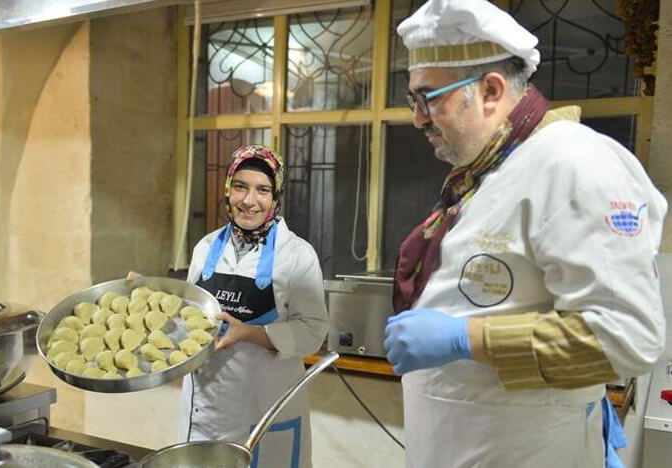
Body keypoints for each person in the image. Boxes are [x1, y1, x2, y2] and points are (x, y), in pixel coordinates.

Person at [383, 1, 667, 467]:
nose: (417, 118)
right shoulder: (486, 171)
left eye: (427, 98)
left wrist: (465, 338)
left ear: (491, 90)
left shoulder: (575, 163)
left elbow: (628, 338)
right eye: (414, 100)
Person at [179, 144, 328, 468]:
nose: (249, 201)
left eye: (263, 190)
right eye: (241, 187)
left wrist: (249, 333)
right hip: (203, 410)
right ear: (228, 189)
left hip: (263, 415)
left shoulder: (298, 255)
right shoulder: (205, 248)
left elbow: (313, 332)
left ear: (275, 197)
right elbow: (187, 316)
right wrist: (148, 296)